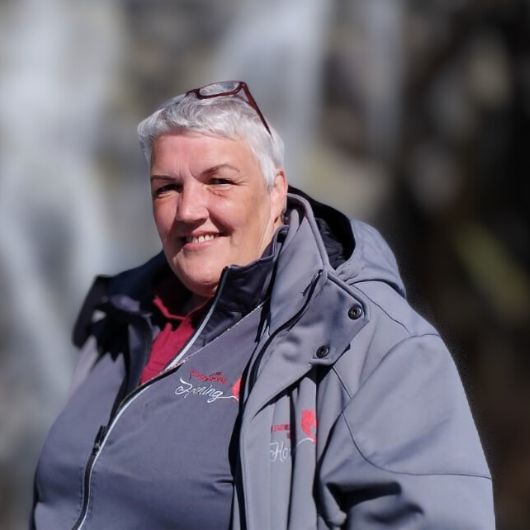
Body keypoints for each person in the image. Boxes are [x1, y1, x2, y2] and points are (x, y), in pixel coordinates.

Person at [31, 81, 495, 529]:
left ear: (276, 193)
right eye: (166, 188)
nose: (188, 210)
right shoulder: (121, 316)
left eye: (219, 181)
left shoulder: (376, 345)